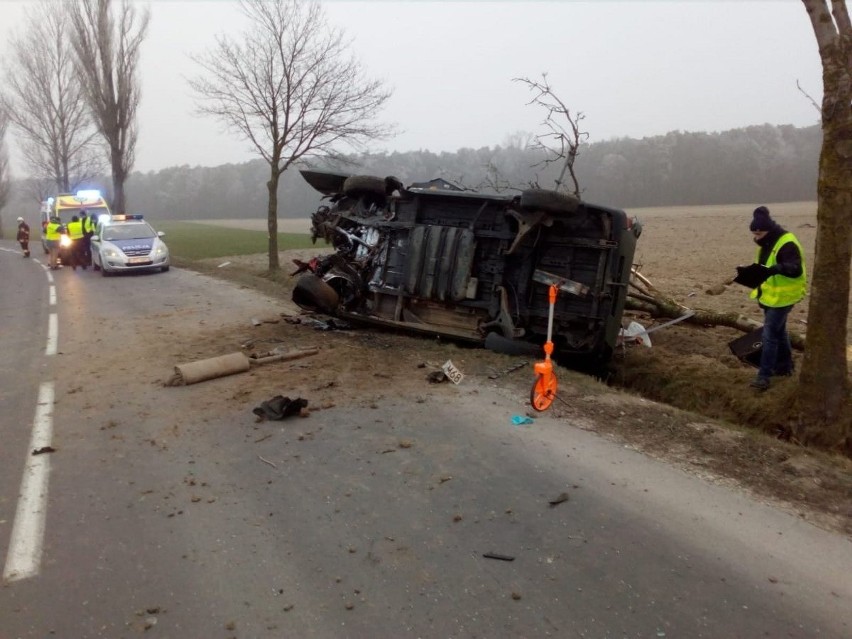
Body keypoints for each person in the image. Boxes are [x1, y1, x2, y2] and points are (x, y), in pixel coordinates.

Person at [737, 206, 807, 391]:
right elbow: (763, 268)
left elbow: (795, 268)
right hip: (770, 297)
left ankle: (764, 376)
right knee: (780, 332)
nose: (756, 238)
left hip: (784, 297)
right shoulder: (766, 244)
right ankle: (785, 367)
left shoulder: (786, 242)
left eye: (758, 234)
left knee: (769, 335)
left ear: (765, 230)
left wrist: (779, 268)